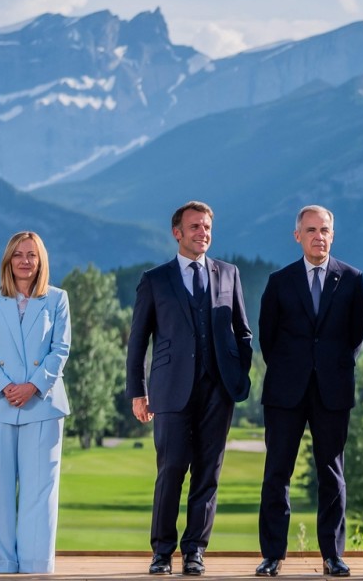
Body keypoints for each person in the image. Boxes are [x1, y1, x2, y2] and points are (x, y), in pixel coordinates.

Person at [126, 200, 254, 576]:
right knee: (171, 470)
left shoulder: (228, 274)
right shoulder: (155, 279)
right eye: (195, 226)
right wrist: (138, 391)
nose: (203, 233)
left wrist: (238, 374)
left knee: (208, 473)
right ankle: (162, 552)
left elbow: (243, 331)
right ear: (177, 232)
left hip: (219, 390)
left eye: (207, 227)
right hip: (169, 390)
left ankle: (195, 550)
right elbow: (138, 341)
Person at [255, 206, 363, 578]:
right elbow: (268, 339)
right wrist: (293, 368)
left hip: (332, 391)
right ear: (297, 236)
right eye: (311, 230)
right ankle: (273, 554)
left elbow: (356, 336)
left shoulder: (352, 279)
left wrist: (330, 368)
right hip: (285, 391)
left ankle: (332, 555)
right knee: (277, 473)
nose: (318, 236)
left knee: (332, 475)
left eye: (324, 230)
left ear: (332, 235)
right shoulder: (279, 281)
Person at [0, 231, 71, 574]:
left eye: (32, 254)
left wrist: (33, 386)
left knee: (39, 490)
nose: (25, 260)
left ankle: (35, 563)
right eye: (18, 254)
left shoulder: (57, 299)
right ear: (8, 261)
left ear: (41, 261)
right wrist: (5, 386)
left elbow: (61, 349)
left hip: (43, 403)